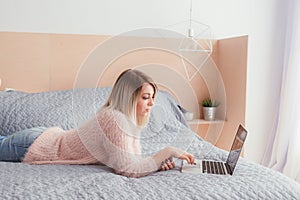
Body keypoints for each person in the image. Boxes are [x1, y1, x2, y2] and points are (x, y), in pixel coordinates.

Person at [0, 69, 194, 178]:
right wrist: (167, 152)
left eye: (152, 97)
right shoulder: (114, 119)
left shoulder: (127, 121)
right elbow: (127, 169)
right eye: (146, 97)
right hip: (37, 144)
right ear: (128, 96)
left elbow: (131, 160)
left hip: (44, 136)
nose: (152, 104)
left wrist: (157, 163)